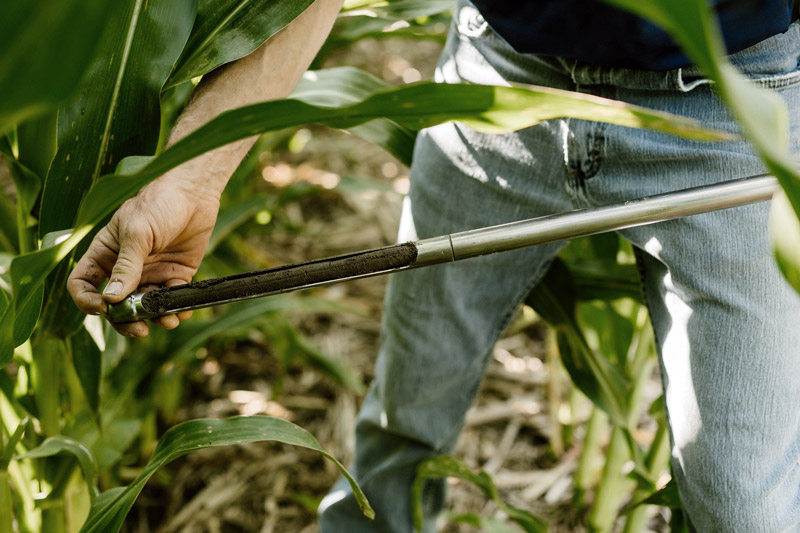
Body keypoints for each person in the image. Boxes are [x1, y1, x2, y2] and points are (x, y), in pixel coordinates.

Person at [68, 0, 800, 531]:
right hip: (501, 82)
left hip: (730, 109)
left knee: (745, 504)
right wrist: (192, 173)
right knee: (406, 410)